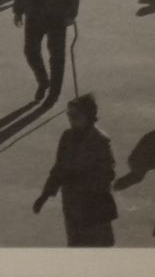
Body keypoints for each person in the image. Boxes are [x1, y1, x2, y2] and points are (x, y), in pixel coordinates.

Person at [32, 93, 117, 246]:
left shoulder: (100, 141)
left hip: (93, 204)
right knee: (75, 243)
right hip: (72, 203)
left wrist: (81, 179)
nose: (70, 118)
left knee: (97, 246)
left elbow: (108, 173)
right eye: (69, 114)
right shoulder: (67, 136)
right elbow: (58, 168)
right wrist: (44, 195)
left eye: (75, 115)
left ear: (89, 116)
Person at [13, 0, 80, 105]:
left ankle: (54, 93)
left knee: (56, 56)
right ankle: (43, 81)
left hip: (56, 16)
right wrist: (18, 11)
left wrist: (71, 14)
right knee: (31, 51)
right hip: (34, 15)